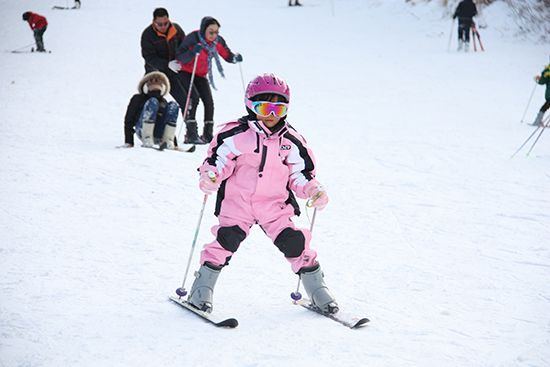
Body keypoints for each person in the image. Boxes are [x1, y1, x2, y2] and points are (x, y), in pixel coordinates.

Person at [185, 73, 338, 315]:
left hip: (274, 206)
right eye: (264, 107)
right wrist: (211, 176)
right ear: (250, 105)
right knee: (226, 240)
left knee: (295, 243)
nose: (271, 115)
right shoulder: (235, 134)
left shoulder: (291, 141)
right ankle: (201, 290)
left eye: (279, 108)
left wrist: (313, 190)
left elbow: (301, 175)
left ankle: (318, 291)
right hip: (238, 204)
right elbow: (216, 161)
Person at [171, 16, 243, 145]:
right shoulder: (193, 38)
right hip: (186, 72)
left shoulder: (217, 41)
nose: (214, 35)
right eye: (211, 32)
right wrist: (193, 51)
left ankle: (208, 134)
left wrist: (234, 58)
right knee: (193, 98)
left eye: (216, 32)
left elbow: (226, 54)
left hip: (201, 75)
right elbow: (180, 56)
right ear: (204, 30)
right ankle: (191, 134)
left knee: (209, 102)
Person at [141, 8, 187, 132]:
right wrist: (167, 64)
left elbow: (185, 47)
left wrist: (183, 60)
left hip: (174, 72)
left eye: (165, 23)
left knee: (185, 100)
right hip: (155, 74)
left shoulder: (176, 30)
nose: (163, 26)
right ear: (154, 22)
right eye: (159, 24)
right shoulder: (147, 35)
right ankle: (147, 130)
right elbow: (149, 57)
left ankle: (190, 132)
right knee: (153, 102)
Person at [122, 71, 179, 149]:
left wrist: (175, 144)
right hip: (142, 129)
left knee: (173, 105)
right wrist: (129, 142)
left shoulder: (163, 102)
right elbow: (129, 120)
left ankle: (168, 140)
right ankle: (147, 138)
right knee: (153, 102)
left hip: (159, 131)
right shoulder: (138, 98)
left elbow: (168, 120)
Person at [531, 62, 550, 127]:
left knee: (545, 106)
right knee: (546, 106)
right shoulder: (548, 71)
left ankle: (538, 121)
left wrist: (539, 79)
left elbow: (542, 81)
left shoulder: (548, 70)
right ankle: (538, 121)